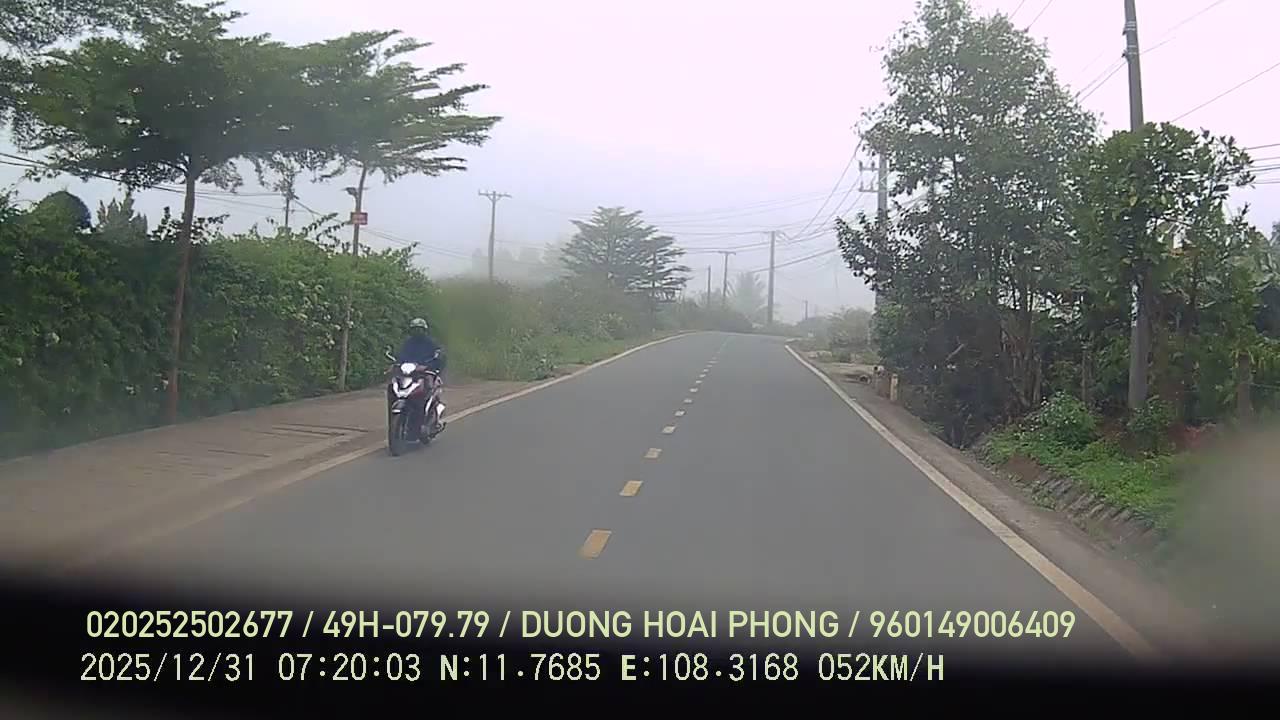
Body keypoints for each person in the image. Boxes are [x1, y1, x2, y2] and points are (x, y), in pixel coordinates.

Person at [395, 317, 447, 432]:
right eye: (414, 329)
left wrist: (429, 365)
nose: (417, 332)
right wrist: (397, 363)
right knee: (393, 385)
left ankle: (429, 415)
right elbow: (401, 355)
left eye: (419, 329)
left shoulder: (430, 343)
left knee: (427, 388)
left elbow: (438, 357)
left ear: (424, 330)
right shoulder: (408, 343)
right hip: (410, 373)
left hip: (425, 372)